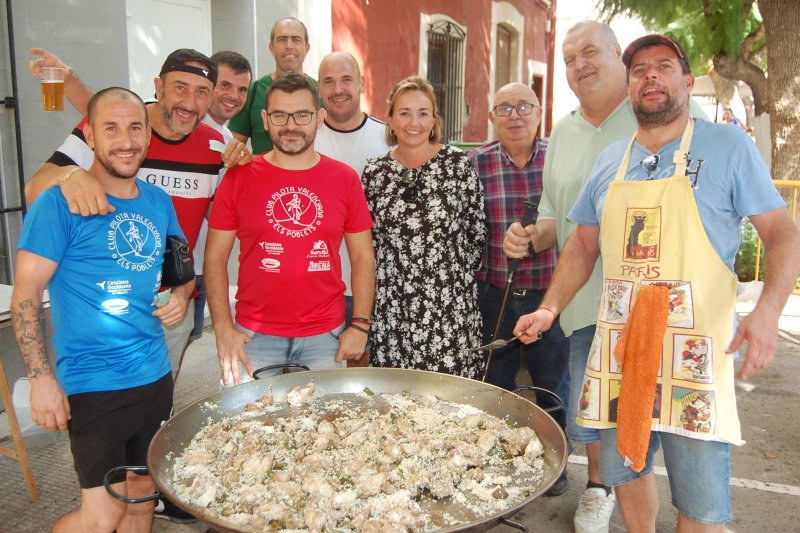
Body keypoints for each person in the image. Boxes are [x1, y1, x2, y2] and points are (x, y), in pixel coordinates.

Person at [512, 34, 800, 532]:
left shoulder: (727, 146)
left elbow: (781, 233)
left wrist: (768, 311)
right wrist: (550, 308)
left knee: (700, 498)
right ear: (628, 87)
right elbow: (582, 245)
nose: (650, 76)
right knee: (626, 468)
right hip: (621, 347)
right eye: (639, 70)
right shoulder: (611, 161)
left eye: (664, 66)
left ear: (687, 81)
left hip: (696, 351)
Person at [11, 87, 194, 532]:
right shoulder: (59, 203)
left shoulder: (158, 201)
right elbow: (26, 294)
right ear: (89, 136)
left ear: (148, 135)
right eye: (111, 128)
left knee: (142, 498)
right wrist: (40, 380)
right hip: (94, 384)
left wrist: (179, 297)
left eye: (135, 128)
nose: (125, 141)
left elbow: (181, 273)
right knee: (102, 515)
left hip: (154, 375)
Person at [205, 72, 376, 386]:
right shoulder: (239, 178)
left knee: (324, 415)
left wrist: (360, 325)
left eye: (302, 115)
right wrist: (223, 329)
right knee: (247, 418)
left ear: (319, 118)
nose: (291, 125)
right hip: (252, 334)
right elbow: (214, 258)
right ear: (265, 120)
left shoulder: (344, 179)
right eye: (280, 115)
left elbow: (363, 256)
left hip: (325, 334)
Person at [468, 82, 570, 494]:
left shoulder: (559, 160)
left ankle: (555, 465)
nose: (515, 115)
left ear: (539, 113)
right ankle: (499, 460)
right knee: (496, 386)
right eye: (504, 108)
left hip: (550, 297)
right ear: (491, 117)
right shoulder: (476, 164)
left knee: (552, 386)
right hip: (495, 295)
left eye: (524, 106)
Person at [362, 76, 486, 378]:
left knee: (451, 396)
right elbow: (370, 243)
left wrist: (444, 278)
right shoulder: (375, 173)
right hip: (394, 311)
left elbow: (477, 232)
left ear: (433, 121)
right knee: (396, 394)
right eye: (404, 113)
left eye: (422, 113)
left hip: (449, 309)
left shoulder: (457, 165)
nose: (413, 123)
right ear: (390, 119)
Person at [315, 51, 392, 366]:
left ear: (362, 83)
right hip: (319, 285)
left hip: (371, 284)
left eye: (346, 79)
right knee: (315, 374)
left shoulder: (388, 138)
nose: (338, 89)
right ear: (319, 88)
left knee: (361, 370)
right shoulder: (305, 138)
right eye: (328, 81)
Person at [190, 51, 253, 345]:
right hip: (158, 265)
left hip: (198, 265)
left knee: (182, 344)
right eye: (225, 85)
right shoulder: (184, 125)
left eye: (242, 90)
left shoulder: (230, 142)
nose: (233, 96)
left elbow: (220, 211)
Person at [229, 17, 311, 154]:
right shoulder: (253, 91)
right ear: (271, 48)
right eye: (282, 39)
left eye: (296, 39)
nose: (289, 45)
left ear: (306, 48)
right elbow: (232, 149)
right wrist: (254, 161)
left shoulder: (319, 92)